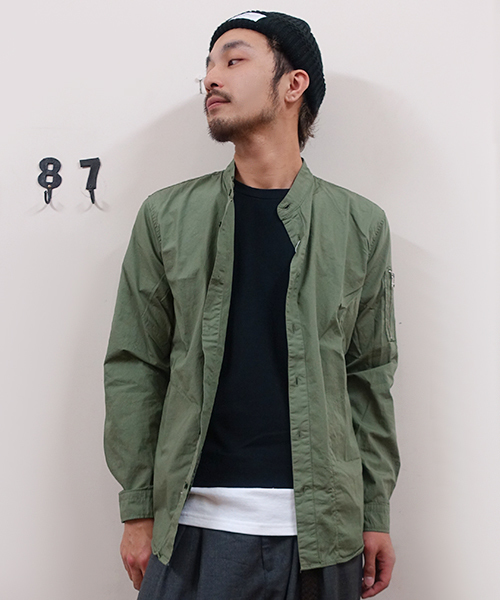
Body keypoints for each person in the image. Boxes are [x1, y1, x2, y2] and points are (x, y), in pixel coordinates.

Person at [104, 10, 400, 600]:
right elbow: (135, 364)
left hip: (324, 533)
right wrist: (138, 508)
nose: (212, 77)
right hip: (190, 529)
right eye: (208, 66)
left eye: (234, 59)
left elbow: (369, 375)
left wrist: (374, 512)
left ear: (294, 84)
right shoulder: (167, 217)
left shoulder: (359, 225)